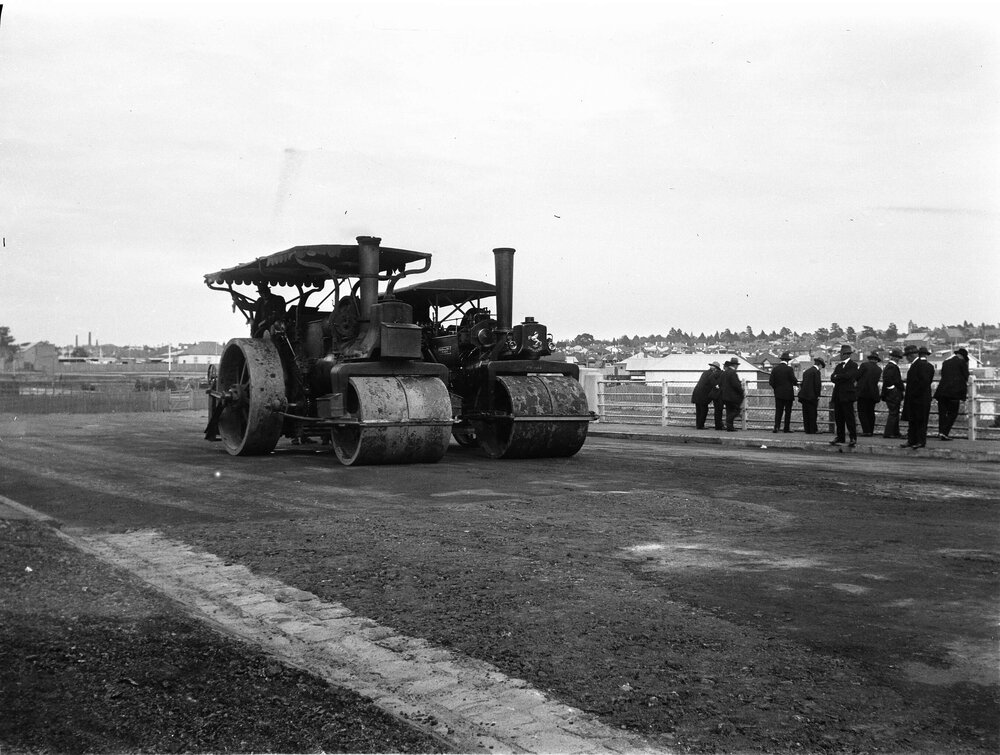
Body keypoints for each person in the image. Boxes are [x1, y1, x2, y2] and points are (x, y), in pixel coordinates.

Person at [901, 345, 935, 449]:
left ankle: (920, 441)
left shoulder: (920, 365)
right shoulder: (921, 365)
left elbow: (923, 382)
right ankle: (912, 440)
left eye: (907, 356)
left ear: (911, 356)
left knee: (920, 420)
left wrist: (913, 393)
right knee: (914, 420)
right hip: (918, 398)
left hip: (919, 398)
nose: (906, 358)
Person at [933, 347, 971, 440]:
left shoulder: (945, 362)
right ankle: (945, 433)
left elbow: (943, 375)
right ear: (963, 357)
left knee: (942, 413)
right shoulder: (962, 363)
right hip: (954, 392)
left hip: (942, 391)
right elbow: (966, 376)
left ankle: (941, 432)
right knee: (953, 413)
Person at [829, 344, 859, 446]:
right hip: (838, 395)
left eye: (842, 354)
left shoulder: (853, 365)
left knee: (849, 418)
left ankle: (853, 438)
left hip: (847, 396)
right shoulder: (838, 366)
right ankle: (840, 437)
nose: (841, 356)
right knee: (839, 418)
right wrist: (839, 377)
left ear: (847, 355)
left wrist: (838, 376)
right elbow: (832, 378)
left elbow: (848, 376)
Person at [768, 351, 798, 433]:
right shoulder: (789, 369)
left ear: (781, 360)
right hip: (788, 394)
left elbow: (771, 382)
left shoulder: (775, 369)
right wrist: (796, 383)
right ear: (788, 360)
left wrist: (776, 389)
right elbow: (794, 380)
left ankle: (776, 427)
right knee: (788, 412)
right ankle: (786, 428)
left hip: (778, 393)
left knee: (778, 411)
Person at [880, 348, 905, 439]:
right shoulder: (892, 367)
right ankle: (889, 432)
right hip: (893, 394)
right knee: (893, 413)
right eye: (898, 357)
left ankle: (894, 432)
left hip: (891, 393)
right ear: (895, 358)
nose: (898, 359)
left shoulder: (889, 366)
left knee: (894, 413)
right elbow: (889, 380)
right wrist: (893, 389)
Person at [856, 351, 883, 436]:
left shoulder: (864, 365)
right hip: (873, 393)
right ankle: (870, 431)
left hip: (863, 392)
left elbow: (857, 376)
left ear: (869, 359)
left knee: (862, 412)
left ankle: (866, 431)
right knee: (871, 412)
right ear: (876, 360)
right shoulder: (879, 369)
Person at [690, 361, 723, 430]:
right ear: (716, 368)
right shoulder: (712, 374)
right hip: (703, 395)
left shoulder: (705, 372)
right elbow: (713, 384)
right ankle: (701, 425)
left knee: (698, 410)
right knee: (704, 410)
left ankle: (698, 425)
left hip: (697, 393)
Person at [798, 356, 824, 434]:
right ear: (819, 365)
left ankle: (807, 430)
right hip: (812, 397)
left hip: (803, 396)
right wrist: (817, 395)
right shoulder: (816, 372)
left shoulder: (806, 371)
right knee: (813, 413)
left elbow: (803, 384)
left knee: (805, 413)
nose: (821, 368)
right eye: (821, 367)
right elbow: (817, 385)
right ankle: (813, 430)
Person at [720, 358, 745, 431]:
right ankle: (728, 422)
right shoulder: (733, 373)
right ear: (735, 365)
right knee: (736, 411)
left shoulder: (724, 372)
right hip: (732, 396)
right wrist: (741, 392)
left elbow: (721, 383)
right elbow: (736, 385)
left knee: (729, 411)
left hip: (725, 395)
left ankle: (730, 427)